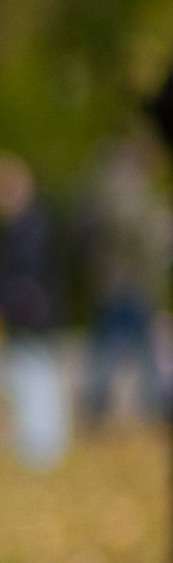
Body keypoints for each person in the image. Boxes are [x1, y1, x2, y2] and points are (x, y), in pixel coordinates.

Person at [0, 151, 72, 468]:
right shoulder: (26, 228)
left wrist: (13, 309)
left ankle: (41, 447)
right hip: (30, 318)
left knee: (35, 379)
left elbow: (27, 281)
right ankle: (39, 445)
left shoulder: (30, 230)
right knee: (30, 379)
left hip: (30, 320)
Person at [78, 135, 171, 427]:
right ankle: (147, 407)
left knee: (123, 346)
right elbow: (139, 239)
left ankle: (105, 405)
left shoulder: (112, 189)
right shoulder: (129, 193)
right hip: (127, 284)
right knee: (126, 348)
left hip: (119, 283)